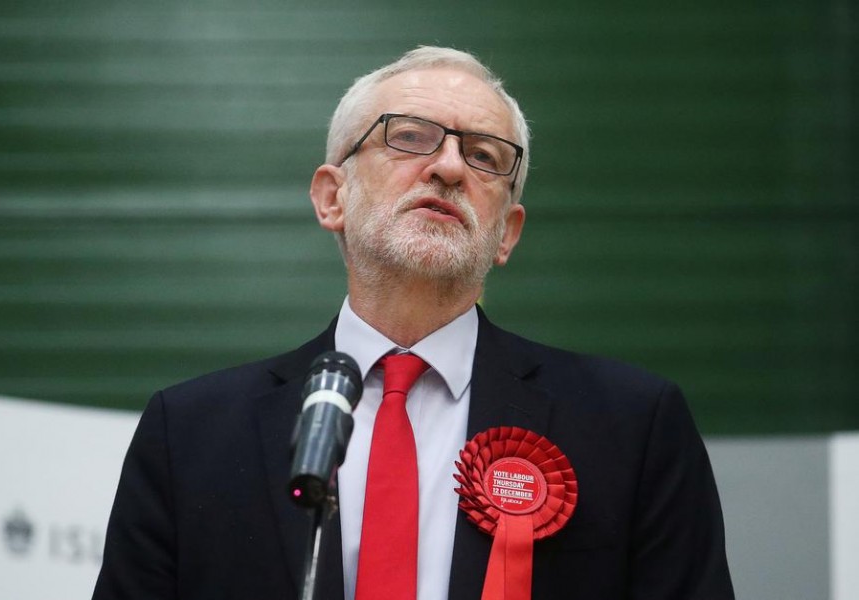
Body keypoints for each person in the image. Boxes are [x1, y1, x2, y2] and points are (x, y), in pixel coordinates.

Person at [93, 46, 734, 600]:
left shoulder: (633, 426)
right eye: (408, 136)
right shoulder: (191, 434)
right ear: (331, 197)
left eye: (485, 155)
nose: (450, 167)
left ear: (507, 233)